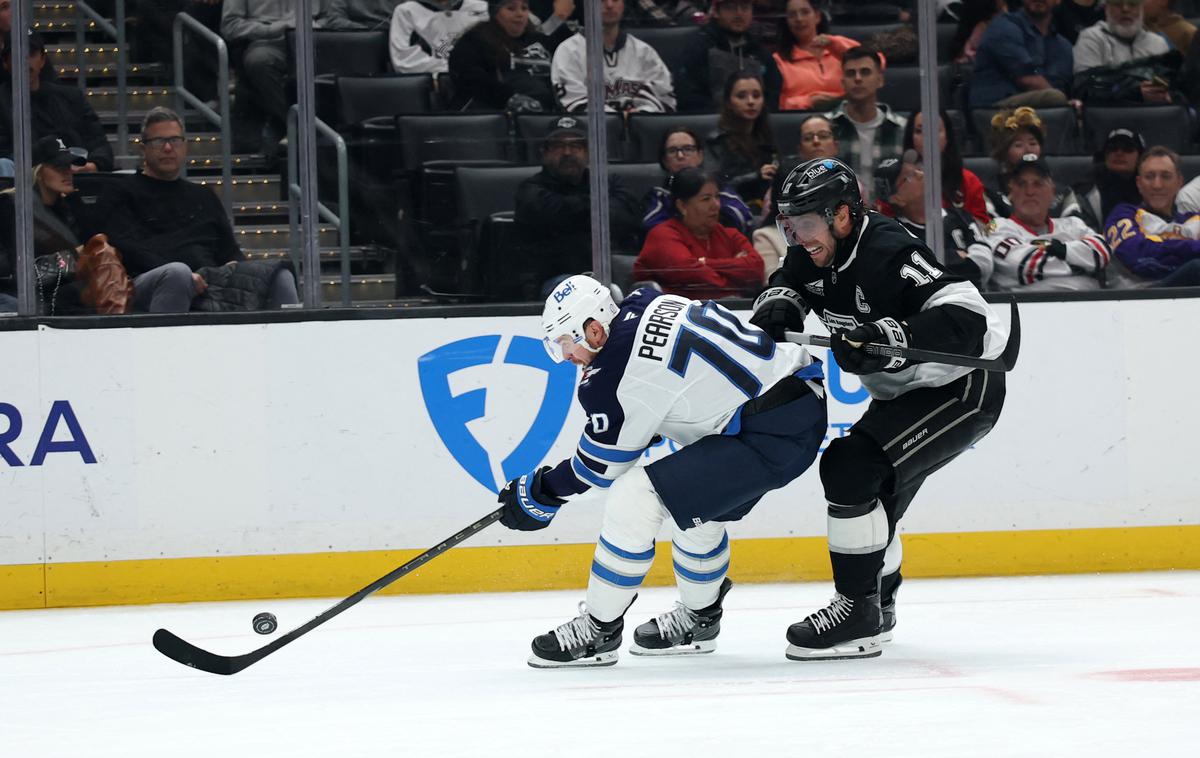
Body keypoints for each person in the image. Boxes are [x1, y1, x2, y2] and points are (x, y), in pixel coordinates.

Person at [751, 157, 1009, 659]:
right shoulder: (812, 252)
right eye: (789, 224)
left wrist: (887, 337)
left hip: (961, 387)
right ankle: (877, 603)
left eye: (804, 223)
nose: (797, 236)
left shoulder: (890, 249)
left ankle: (858, 609)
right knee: (869, 496)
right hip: (904, 394)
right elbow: (791, 280)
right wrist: (777, 302)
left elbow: (969, 319)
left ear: (843, 215)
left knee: (851, 467)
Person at [498, 274, 827, 667]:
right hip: (794, 401)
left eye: (566, 344)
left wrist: (541, 491)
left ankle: (598, 629)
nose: (567, 356)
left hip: (771, 430)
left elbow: (600, 469)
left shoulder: (614, 376)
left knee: (634, 497)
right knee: (695, 507)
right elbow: (669, 384)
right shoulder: (647, 299)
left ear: (594, 329)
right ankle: (700, 620)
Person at [101, 107, 300, 313]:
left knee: (278, 274)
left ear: (185, 147)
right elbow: (125, 249)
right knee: (177, 274)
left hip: (209, 280)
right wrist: (186, 274)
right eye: (159, 141)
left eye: (175, 140)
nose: (168, 148)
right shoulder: (121, 191)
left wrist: (236, 268)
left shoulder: (204, 195)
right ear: (143, 149)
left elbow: (229, 251)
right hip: (146, 280)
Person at [512, 116, 642, 298]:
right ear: (545, 152)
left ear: (588, 153)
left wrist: (578, 210)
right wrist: (594, 209)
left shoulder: (609, 182)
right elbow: (559, 216)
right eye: (559, 146)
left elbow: (628, 217)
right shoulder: (530, 190)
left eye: (576, 146)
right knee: (583, 293)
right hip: (555, 281)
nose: (567, 152)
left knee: (645, 290)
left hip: (611, 276)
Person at [0, 136, 104, 315]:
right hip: (20, 295)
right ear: (38, 171)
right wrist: (70, 260)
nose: (67, 173)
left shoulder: (70, 207)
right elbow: (14, 267)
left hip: (65, 292)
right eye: (58, 167)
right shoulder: (11, 205)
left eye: (69, 167)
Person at [980, 153, 1109, 291]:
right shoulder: (996, 227)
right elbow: (1022, 266)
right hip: (1023, 309)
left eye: (1038, 184)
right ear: (1011, 191)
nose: (1030, 192)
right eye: (1022, 184)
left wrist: (1063, 250)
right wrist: (1083, 267)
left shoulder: (1073, 224)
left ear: (1052, 191)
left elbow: (1102, 250)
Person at [634, 168, 765, 297]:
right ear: (682, 206)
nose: (716, 205)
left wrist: (705, 263)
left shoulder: (730, 235)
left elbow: (757, 270)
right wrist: (735, 283)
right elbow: (694, 280)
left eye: (717, 197)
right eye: (706, 199)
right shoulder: (662, 235)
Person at [221, 1, 329, 154]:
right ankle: (301, 126)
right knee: (258, 61)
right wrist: (269, 30)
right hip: (266, 42)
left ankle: (299, 128)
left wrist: (316, 26)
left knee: (333, 59)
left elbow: (331, 16)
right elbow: (230, 25)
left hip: (312, 40)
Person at [875, 151, 993, 289]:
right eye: (910, 175)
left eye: (918, 169)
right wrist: (955, 256)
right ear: (897, 198)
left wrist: (935, 262)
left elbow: (985, 264)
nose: (921, 174)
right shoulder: (896, 235)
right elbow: (916, 283)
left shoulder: (960, 216)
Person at [0, 32, 112, 172]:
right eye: (17, 55)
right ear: (5, 62)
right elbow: (6, 160)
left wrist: (92, 166)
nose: (25, 61)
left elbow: (101, 145)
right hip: (28, 184)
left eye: (31, 54)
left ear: (42, 60)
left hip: (81, 179)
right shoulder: (3, 104)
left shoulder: (72, 97)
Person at [551, 0, 675, 113]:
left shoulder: (644, 51)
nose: (610, 5)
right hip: (588, 133)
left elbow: (665, 98)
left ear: (623, 5)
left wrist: (640, 116)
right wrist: (617, 120)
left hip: (640, 130)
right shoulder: (568, 51)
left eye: (615, 0)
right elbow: (572, 103)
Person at [1105, 146, 1200, 287]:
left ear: (1179, 182)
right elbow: (1139, 258)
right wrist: (1192, 249)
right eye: (1149, 177)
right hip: (1140, 297)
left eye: (1166, 176)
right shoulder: (1123, 214)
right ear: (1139, 183)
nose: (1157, 185)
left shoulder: (1194, 220)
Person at [448, 0, 569, 111]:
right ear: (495, 13)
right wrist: (508, 98)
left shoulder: (540, 40)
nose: (519, 14)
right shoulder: (475, 40)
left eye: (524, 8)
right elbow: (470, 78)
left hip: (544, 114)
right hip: (496, 114)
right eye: (511, 9)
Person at [825, 47, 907, 204]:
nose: (857, 78)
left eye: (865, 72)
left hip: (891, 220)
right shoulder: (824, 129)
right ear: (842, 82)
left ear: (880, 80)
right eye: (850, 73)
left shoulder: (902, 129)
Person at [642, 127, 753, 236]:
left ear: (700, 156)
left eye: (688, 149)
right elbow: (654, 230)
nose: (680, 156)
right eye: (672, 151)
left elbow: (741, 219)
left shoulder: (719, 189)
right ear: (665, 161)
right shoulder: (660, 196)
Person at [676, 0, 781, 112]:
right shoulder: (698, 47)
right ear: (716, 12)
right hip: (710, 121)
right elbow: (688, 95)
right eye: (730, 7)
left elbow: (772, 95)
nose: (739, 13)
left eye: (745, 7)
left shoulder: (759, 51)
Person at [968, 0, 1074, 108]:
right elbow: (1027, 80)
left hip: (1047, 110)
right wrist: (1066, 104)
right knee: (1055, 97)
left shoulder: (1063, 46)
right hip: (995, 107)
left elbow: (1062, 85)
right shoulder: (1004, 26)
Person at [984, 106, 1083, 220]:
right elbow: (989, 228)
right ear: (1003, 152)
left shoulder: (1062, 193)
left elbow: (1077, 227)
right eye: (1018, 145)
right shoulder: (990, 193)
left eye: (1032, 143)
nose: (1028, 150)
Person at [899, 110, 989, 224]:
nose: (927, 137)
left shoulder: (968, 181)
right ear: (911, 137)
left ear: (947, 138)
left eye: (935, 130)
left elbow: (982, 226)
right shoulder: (896, 180)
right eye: (919, 131)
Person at [1073, 0, 1172, 104]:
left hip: (1155, 115)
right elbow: (1084, 89)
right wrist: (1135, 93)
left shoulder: (1158, 43)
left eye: (1133, 4)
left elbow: (1170, 86)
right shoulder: (1091, 39)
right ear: (1106, 7)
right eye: (1117, 4)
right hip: (1109, 117)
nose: (1125, 9)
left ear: (1142, 8)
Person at [706, 72, 777, 210]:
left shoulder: (766, 137)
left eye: (756, 96)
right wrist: (756, 176)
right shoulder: (717, 141)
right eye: (741, 96)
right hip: (731, 210)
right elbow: (714, 187)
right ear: (728, 102)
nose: (751, 102)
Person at [773, 0, 860, 111]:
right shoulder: (778, 60)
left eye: (805, 12)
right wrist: (808, 101)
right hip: (802, 118)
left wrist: (834, 43)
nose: (799, 19)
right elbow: (776, 103)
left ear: (817, 17)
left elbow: (878, 62)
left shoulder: (838, 47)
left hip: (846, 112)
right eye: (792, 15)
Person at [388, 0, 489, 74]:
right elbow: (404, 62)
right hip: (434, 82)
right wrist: (449, 70)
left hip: (481, 79)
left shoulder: (481, 8)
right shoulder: (406, 11)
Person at [1079, 128, 1146, 231]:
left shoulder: (1152, 186)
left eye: (1127, 148)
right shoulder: (1087, 190)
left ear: (1140, 157)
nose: (1119, 153)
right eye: (1112, 148)